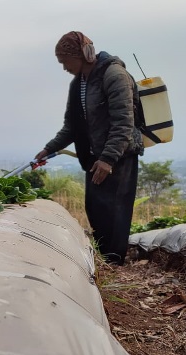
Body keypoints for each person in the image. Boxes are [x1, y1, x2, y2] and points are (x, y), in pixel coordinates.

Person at [35, 31, 144, 265]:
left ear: (82, 55)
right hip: (95, 156)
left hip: (119, 156)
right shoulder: (79, 84)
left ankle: (114, 263)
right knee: (95, 208)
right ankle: (103, 259)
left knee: (115, 211)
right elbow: (72, 126)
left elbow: (124, 123)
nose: (64, 67)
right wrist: (49, 148)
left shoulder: (115, 75)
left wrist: (108, 159)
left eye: (65, 61)